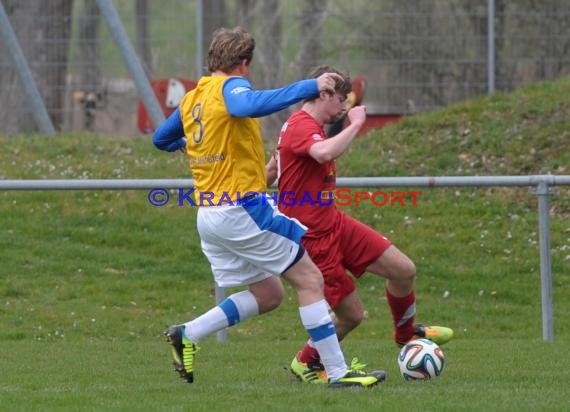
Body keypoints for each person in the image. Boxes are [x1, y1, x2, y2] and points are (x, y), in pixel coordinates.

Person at [152, 27, 384, 388]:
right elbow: (247, 104)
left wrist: (187, 143)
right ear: (243, 63)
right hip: (240, 209)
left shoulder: (194, 98)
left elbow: (160, 139)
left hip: (210, 215)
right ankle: (337, 373)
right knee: (310, 279)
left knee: (270, 294)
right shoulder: (232, 87)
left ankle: (188, 333)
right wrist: (309, 86)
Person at [266, 65, 454, 384]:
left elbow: (272, 169)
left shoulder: (302, 126)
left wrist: (259, 180)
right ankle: (305, 363)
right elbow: (323, 153)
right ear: (322, 94)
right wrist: (356, 125)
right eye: (341, 99)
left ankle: (406, 334)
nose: (344, 107)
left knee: (403, 270)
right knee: (352, 315)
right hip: (313, 239)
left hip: (335, 224)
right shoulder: (301, 126)